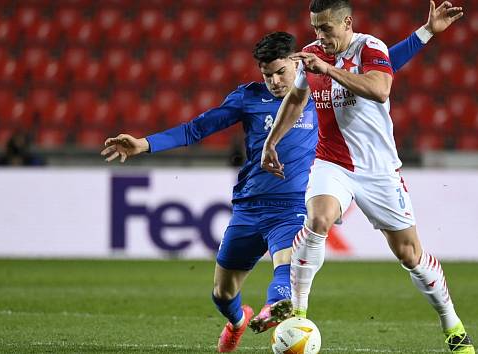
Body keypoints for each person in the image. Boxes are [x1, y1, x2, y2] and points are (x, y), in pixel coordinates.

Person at [101, 23, 434, 352]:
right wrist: (144, 144)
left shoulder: (319, 88)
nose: (275, 82)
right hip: (249, 206)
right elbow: (196, 129)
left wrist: (426, 33)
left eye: (279, 72)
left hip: (295, 206)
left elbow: (384, 65)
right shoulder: (248, 98)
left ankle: (277, 308)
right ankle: (237, 321)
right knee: (222, 293)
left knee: (287, 268)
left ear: (296, 61)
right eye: (267, 75)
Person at [261, 1, 474, 353]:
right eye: (315, 28)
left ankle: (452, 324)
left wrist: (327, 70)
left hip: (379, 171)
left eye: (326, 28)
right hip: (333, 162)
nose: (319, 36)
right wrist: (272, 142)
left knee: (410, 255)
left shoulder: (369, 47)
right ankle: (297, 315)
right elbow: (298, 98)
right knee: (318, 218)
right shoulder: (313, 54)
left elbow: (380, 89)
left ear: (347, 23)